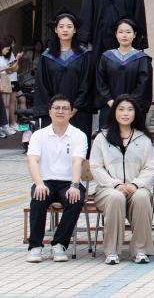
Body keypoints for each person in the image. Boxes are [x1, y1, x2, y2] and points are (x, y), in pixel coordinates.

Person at [89, 95, 154, 264]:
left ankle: (140, 250)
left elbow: (150, 167)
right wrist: (115, 184)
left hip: (136, 188)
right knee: (116, 197)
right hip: (108, 189)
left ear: (135, 113)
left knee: (142, 197)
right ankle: (112, 251)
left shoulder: (143, 139)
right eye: (121, 109)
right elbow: (96, 166)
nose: (125, 113)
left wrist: (136, 184)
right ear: (114, 112)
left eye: (129, 109)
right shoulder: (102, 137)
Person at [25, 95, 87, 263]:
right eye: (57, 108)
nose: (61, 111)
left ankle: (59, 244)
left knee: (76, 200)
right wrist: (39, 183)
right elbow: (32, 161)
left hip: (69, 182)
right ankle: (35, 246)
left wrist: (74, 186)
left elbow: (77, 162)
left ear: (71, 112)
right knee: (39, 197)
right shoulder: (39, 135)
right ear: (50, 111)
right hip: (45, 181)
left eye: (65, 108)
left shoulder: (79, 135)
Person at [34, 10, 93, 146]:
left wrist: (75, 107)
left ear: (75, 30)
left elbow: (87, 83)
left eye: (69, 26)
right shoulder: (47, 56)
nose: (65, 30)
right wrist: (53, 108)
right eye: (61, 26)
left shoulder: (84, 55)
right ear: (56, 30)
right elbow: (42, 84)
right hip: (54, 112)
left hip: (78, 112)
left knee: (78, 147)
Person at [94, 18, 152, 131]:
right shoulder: (106, 57)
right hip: (109, 107)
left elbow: (143, 85)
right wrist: (110, 101)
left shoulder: (142, 58)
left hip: (133, 108)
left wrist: (128, 104)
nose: (124, 35)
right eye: (121, 32)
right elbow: (100, 82)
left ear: (134, 35)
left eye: (128, 32)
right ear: (116, 34)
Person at [1, 36, 22, 136]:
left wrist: (11, 66)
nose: (8, 50)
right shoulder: (3, 56)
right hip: (4, 80)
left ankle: (9, 125)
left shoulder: (7, 55)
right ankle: (6, 125)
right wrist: (16, 59)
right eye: (7, 48)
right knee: (5, 104)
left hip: (8, 80)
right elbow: (10, 69)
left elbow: (15, 68)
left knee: (9, 103)